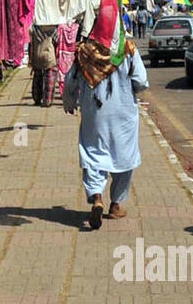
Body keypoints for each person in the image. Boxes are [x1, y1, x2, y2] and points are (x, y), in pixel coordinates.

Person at [63, 34, 149, 231]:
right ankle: (116, 204)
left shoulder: (84, 51)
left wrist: (69, 103)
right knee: (124, 156)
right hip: (124, 112)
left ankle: (97, 197)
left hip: (94, 113)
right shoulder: (127, 48)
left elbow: (70, 81)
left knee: (93, 152)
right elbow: (141, 81)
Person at [29, 23, 59, 107]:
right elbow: (57, 41)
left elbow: (31, 44)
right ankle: (47, 101)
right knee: (49, 79)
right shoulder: (53, 28)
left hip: (37, 55)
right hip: (48, 56)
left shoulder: (34, 28)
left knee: (37, 78)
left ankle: (37, 98)